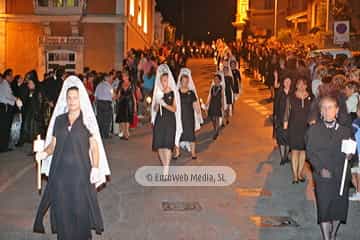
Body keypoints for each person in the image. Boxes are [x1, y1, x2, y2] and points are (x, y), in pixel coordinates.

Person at [33, 76, 110, 240]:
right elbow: (53, 145)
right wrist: (44, 153)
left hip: (80, 173)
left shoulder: (87, 121)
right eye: (69, 98)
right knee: (62, 208)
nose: (72, 101)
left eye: (75, 98)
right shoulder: (59, 120)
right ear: (65, 99)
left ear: (80, 99)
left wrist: (95, 167)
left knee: (80, 209)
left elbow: (94, 147)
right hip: (60, 173)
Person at [306, 96, 353, 240]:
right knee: (325, 209)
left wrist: (350, 155)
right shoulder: (313, 130)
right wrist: (320, 169)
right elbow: (310, 153)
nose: (327, 111)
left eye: (330, 107)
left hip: (341, 176)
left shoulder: (345, 131)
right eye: (324, 108)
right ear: (320, 111)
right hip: (323, 178)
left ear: (337, 110)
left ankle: (332, 235)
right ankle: (327, 238)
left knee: (338, 209)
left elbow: (352, 152)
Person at [151, 64, 182, 175]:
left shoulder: (173, 93)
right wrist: (157, 102)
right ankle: (165, 165)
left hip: (169, 120)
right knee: (159, 145)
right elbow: (155, 108)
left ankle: (166, 168)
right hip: (160, 119)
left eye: (165, 80)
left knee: (168, 144)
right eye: (162, 80)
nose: (164, 82)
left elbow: (174, 109)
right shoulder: (158, 92)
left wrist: (164, 104)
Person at [284, 78, 312, 184]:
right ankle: (295, 175)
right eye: (299, 84)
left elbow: (314, 112)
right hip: (294, 127)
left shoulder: (311, 97)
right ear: (296, 85)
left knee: (303, 151)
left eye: (303, 84)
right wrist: (285, 127)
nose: (301, 86)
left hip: (306, 128)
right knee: (295, 151)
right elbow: (286, 113)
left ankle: (299, 173)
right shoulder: (291, 97)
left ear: (306, 86)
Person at [175, 68, 203, 160]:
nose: (185, 83)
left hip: (189, 117)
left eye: (187, 81)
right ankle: (177, 152)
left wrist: (199, 113)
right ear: (180, 81)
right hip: (179, 117)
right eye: (183, 81)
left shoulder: (191, 93)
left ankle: (193, 153)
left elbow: (195, 105)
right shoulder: (177, 93)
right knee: (178, 134)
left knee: (191, 135)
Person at [274, 77, 292, 165]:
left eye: (289, 81)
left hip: (291, 120)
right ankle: (282, 158)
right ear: (283, 83)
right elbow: (276, 106)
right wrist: (275, 118)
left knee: (288, 139)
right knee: (281, 139)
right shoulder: (280, 93)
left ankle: (286, 156)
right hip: (281, 119)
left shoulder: (293, 94)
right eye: (286, 81)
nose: (287, 83)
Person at [115, 70, 136, 140]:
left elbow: (133, 95)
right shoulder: (121, 83)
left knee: (127, 118)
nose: (123, 77)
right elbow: (118, 94)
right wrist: (115, 97)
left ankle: (126, 133)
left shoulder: (131, 84)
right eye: (123, 76)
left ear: (128, 76)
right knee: (123, 118)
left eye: (124, 76)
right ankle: (124, 133)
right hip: (122, 102)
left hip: (129, 102)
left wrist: (135, 106)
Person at [0, 69, 17, 152]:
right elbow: (9, 96)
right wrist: (16, 100)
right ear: (7, 76)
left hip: (4, 107)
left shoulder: (4, 83)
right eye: (11, 75)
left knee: (4, 127)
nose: (12, 77)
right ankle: (3, 147)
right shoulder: (5, 84)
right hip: (5, 107)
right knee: (5, 128)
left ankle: (3, 146)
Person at [207, 73, 225, 140]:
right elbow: (210, 96)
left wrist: (222, 106)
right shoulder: (212, 87)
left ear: (220, 80)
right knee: (212, 118)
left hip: (217, 104)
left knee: (216, 117)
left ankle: (216, 131)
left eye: (217, 79)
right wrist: (207, 104)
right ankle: (215, 128)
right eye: (215, 79)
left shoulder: (221, 87)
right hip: (212, 104)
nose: (216, 80)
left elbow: (222, 97)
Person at [94, 74, 113, 139]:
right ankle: (106, 134)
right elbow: (113, 95)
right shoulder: (109, 86)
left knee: (100, 119)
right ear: (106, 79)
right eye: (110, 78)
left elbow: (95, 96)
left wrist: (96, 104)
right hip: (106, 104)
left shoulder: (98, 85)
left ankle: (100, 134)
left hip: (99, 103)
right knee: (107, 120)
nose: (111, 79)